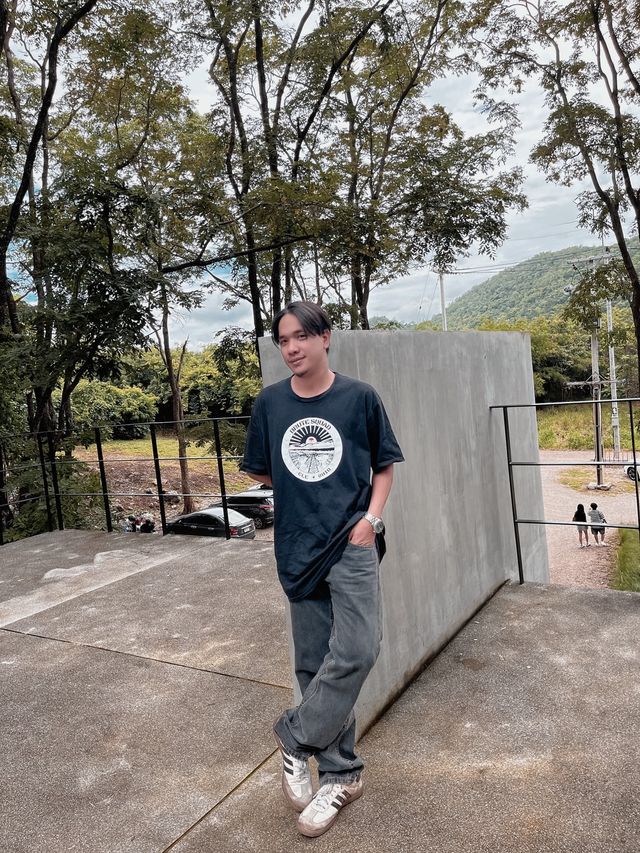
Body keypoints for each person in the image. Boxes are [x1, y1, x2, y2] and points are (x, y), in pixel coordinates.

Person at [240, 301, 404, 838]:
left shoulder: (359, 397)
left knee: (358, 648)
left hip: (352, 543)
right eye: (283, 340)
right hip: (298, 544)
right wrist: (303, 489)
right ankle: (340, 775)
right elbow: (264, 472)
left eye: (301, 337)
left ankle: (295, 736)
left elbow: (384, 466)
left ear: (325, 337)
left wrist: (369, 521)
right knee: (312, 665)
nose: (291, 348)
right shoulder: (270, 403)